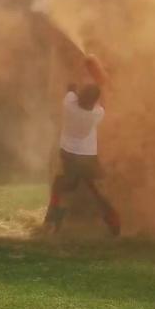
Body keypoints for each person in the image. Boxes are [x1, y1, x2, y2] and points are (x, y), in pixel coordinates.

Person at [43, 55, 121, 236]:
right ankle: (112, 218)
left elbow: (71, 86)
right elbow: (103, 103)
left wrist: (81, 66)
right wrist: (100, 79)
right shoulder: (95, 114)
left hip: (69, 154)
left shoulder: (69, 104)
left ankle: (54, 216)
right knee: (95, 188)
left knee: (62, 184)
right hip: (88, 157)